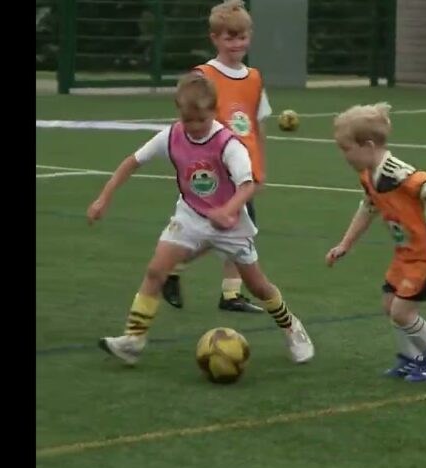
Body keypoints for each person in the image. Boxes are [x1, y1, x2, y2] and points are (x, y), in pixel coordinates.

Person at [87, 73, 314, 365]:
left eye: (201, 120)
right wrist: (103, 198)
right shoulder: (171, 136)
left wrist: (227, 210)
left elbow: (248, 186)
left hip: (231, 225)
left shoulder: (228, 144)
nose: (194, 127)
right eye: (187, 120)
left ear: (214, 111)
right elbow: (132, 162)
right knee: (156, 270)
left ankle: (292, 327)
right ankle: (133, 340)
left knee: (258, 286)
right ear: (178, 111)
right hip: (190, 216)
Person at [325, 102, 426, 382]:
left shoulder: (396, 172)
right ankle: (411, 357)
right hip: (405, 253)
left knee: (402, 311)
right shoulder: (369, 176)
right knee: (389, 304)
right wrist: (345, 244)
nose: (344, 156)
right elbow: (368, 208)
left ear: (368, 145)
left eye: (346, 149)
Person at [162, 0, 270, 314]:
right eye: (229, 38)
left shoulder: (254, 78)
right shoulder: (204, 76)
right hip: (213, 170)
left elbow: (256, 123)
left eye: (242, 37)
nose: (236, 44)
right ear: (215, 38)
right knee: (221, 231)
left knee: (238, 230)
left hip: (242, 170)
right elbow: (188, 119)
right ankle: (174, 268)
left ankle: (229, 293)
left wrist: (258, 166)